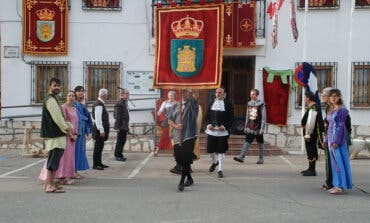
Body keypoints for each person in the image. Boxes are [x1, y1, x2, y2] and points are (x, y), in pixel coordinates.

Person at [39, 77, 72, 193]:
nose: (57, 87)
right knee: (53, 161)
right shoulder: (50, 100)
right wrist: (68, 128)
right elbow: (58, 118)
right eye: (55, 85)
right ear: (49, 86)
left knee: (54, 161)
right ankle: (49, 185)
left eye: (58, 85)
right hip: (54, 135)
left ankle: (50, 184)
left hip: (56, 135)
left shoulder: (53, 98)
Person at [167, 89, 199, 191]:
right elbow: (169, 120)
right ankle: (189, 178)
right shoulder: (175, 106)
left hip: (189, 135)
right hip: (177, 135)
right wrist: (176, 126)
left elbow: (196, 94)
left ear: (190, 93)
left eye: (186, 92)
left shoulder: (192, 104)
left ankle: (181, 182)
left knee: (185, 159)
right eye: (182, 91)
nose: (184, 93)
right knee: (178, 158)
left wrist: (195, 87)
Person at [325, 89, 353, 194]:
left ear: (339, 97)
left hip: (338, 141)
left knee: (339, 163)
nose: (333, 98)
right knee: (334, 163)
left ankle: (339, 186)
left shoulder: (342, 110)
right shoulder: (331, 109)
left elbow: (341, 127)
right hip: (331, 140)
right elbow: (330, 126)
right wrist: (326, 139)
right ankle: (337, 184)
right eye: (331, 96)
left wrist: (336, 141)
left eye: (335, 96)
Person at [205, 88, 234, 178]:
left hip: (222, 132)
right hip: (212, 131)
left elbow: (231, 118)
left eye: (220, 93)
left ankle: (220, 170)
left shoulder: (228, 104)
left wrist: (224, 127)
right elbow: (207, 116)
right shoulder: (210, 103)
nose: (218, 94)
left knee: (221, 151)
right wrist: (208, 125)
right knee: (210, 150)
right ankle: (214, 162)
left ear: (224, 94)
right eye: (217, 92)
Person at [234, 89, 266, 164]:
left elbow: (264, 117)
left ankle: (261, 159)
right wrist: (245, 126)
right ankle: (241, 157)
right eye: (251, 94)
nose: (251, 95)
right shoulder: (249, 103)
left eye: (253, 94)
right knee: (247, 141)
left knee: (260, 143)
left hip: (258, 127)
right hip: (250, 126)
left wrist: (262, 128)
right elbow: (247, 116)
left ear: (257, 95)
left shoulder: (261, 104)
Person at [300, 91, 324, 176]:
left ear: (308, 98)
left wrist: (307, 134)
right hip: (310, 133)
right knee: (310, 150)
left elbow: (310, 123)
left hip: (311, 134)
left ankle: (312, 170)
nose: (304, 99)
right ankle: (310, 168)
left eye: (305, 97)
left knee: (311, 150)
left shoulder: (313, 108)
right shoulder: (312, 107)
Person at [73, 86, 93, 177]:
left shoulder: (83, 103)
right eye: (79, 91)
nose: (81, 93)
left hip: (82, 130)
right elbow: (78, 116)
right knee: (75, 151)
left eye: (82, 91)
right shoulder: (74, 103)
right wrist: (85, 118)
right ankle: (73, 171)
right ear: (75, 93)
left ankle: (75, 170)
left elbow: (87, 114)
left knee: (80, 151)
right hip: (76, 130)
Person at [155, 90, 178, 156]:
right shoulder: (165, 103)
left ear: (174, 96)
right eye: (170, 95)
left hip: (175, 122)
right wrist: (159, 113)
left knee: (174, 137)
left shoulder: (177, 103)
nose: (171, 97)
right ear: (168, 96)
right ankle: (157, 150)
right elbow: (159, 111)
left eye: (172, 95)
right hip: (167, 122)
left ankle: (175, 152)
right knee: (164, 136)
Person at [92, 88, 110, 170]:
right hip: (99, 130)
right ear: (103, 95)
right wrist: (101, 130)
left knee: (100, 147)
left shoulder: (100, 103)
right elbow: (98, 118)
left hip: (101, 129)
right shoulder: (99, 104)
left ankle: (99, 162)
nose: (107, 95)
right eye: (106, 94)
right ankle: (96, 164)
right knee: (98, 147)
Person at [113, 89, 130, 161]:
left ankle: (120, 153)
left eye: (128, 93)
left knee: (123, 140)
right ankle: (117, 155)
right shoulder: (119, 102)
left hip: (124, 125)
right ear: (123, 94)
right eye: (127, 93)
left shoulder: (124, 102)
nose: (128, 95)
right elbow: (117, 115)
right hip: (121, 126)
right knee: (120, 141)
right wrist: (117, 127)